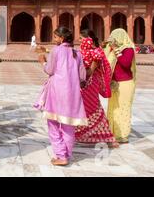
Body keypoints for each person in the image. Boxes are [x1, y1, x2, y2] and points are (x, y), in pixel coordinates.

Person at [35, 27, 87, 166]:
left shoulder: (56, 51)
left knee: (53, 123)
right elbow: (83, 76)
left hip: (56, 92)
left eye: (56, 37)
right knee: (68, 125)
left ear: (62, 38)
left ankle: (60, 155)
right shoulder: (78, 53)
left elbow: (49, 70)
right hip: (72, 93)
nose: (54, 39)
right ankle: (67, 154)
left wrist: (42, 62)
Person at [74, 30, 118, 147]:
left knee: (94, 108)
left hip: (91, 85)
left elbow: (90, 72)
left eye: (81, 38)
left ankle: (108, 137)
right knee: (82, 109)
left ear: (89, 39)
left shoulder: (96, 53)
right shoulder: (83, 52)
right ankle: (82, 134)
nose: (79, 40)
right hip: (83, 85)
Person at [104, 28, 137, 144]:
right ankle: (112, 132)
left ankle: (122, 135)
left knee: (123, 108)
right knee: (113, 108)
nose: (113, 40)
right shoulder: (112, 50)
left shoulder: (128, 49)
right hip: (114, 83)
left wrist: (116, 50)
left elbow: (125, 64)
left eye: (115, 37)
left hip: (125, 84)